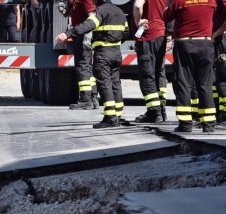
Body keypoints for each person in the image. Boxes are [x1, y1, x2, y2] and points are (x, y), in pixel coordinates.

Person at [56, 0, 127, 128]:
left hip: (103, 53)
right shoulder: (120, 12)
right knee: (115, 83)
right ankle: (117, 115)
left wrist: (67, 34)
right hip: (116, 53)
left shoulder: (100, 12)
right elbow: (126, 33)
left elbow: (88, 25)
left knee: (105, 84)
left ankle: (110, 118)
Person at [165, 0, 217, 132]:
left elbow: (166, 16)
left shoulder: (179, 1)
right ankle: (209, 124)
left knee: (184, 83)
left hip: (185, 44)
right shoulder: (211, 1)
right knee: (205, 84)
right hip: (205, 44)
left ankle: (185, 123)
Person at [131, 0, 168, 122]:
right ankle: (161, 109)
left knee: (147, 75)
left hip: (148, 36)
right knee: (159, 74)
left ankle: (154, 112)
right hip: (161, 34)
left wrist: (137, 22)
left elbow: (137, 5)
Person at [66, 0, 99, 110]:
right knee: (87, 67)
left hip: (84, 35)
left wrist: (87, 37)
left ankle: (86, 100)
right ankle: (93, 97)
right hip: (81, 34)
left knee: (82, 66)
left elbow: (92, 17)